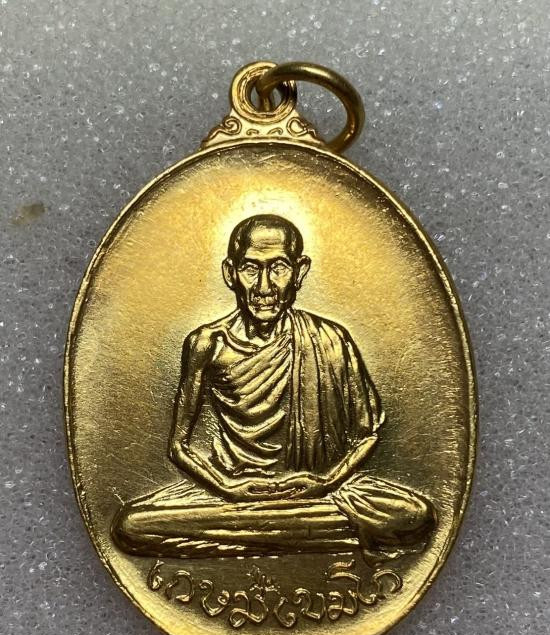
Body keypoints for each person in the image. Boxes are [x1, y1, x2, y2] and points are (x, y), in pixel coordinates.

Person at [113, 214, 435, 559]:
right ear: (230, 273)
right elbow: (179, 446)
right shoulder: (208, 344)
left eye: (278, 268)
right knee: (132, 525)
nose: (264, 287)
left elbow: (366, 434)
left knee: (413, 516)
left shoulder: (330, 339)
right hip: (232, 494)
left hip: (314, 494)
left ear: (299, 271)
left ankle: (252, 536)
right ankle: (293, 535)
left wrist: (326, 482)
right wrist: (228, 487)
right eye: (250, 268)